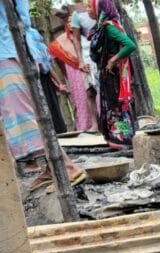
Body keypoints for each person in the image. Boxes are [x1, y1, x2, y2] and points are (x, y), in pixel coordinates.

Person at [0, 0, 85, 191]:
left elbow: (22, 18)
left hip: (5, 52)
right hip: (9, 51)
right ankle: (51, 168)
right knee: (15, 115)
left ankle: (66, 167)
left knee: (22, 115)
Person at [87, 0, 136, 149]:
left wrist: (113, 60)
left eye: (90, 6)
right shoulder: (101, 28)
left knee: (117, 106)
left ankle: (124, 139)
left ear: (100, 9)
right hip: (107, 74)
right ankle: (117, 138)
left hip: (112, 74)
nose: (88, 10)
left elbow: (130, 45)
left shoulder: (109, 28)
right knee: (112, 106)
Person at [69, 0, 99, 131]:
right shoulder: (77, 14)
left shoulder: (101, 7)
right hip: (87, 56)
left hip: (103, 54)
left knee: (107, 90)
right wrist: (80, 60)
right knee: (90, 91)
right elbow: (75, 38)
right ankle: (95, 124)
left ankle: (110, 122)